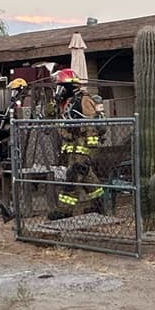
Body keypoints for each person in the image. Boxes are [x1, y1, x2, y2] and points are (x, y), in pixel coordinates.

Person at [48, 68, 105, 220]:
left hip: (83, 148)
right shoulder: (67, 102)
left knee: (72, 178)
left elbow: (92, 127)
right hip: (72, 148)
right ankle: (100, 205)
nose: (59, 90)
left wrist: (90, 151)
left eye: (62, 87)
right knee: (87, 177)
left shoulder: (84, 100)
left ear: (71, 86)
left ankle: (64, 211)